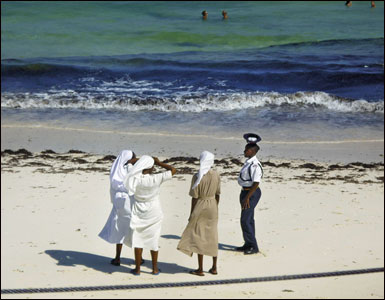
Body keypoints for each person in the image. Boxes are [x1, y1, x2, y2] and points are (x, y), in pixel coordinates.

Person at [124, 155, 176, 275]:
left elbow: (129, 163)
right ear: (150, 167)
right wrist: (159, 162)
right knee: (154, 240)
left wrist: (140, 160)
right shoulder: (156, 178)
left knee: (137, 239)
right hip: (154, 211)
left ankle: (137, 269)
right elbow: (173, 170)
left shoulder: (134, 178)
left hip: (138, 210)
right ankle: (155, 269)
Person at [177, 151, 221, 276]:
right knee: (212, 236)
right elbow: (218, 194)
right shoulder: (216, 175)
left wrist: (191, 214)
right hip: (212, 204)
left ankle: (200, 269)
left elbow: (194, 197)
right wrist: (215, 207)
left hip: (200, 205)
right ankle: (214, 267)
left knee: (198, 237)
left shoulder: (197, 176)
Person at [98, 150, 143, 266]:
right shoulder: (130, 169)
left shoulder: (116, 169)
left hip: (118, 202)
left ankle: (117, 257)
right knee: (135, 229)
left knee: (119, 229)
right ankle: (140, 258)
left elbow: (114, 187)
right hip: (130, 201)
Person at [236, 140, 263, 255]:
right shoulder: (248, 162)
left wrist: (247, 197)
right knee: (248, 219)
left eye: (246, 149)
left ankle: (253, 246)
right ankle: (248, 243)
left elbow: (256, 182)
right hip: (245, 192)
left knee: (245, 220)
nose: (244, 151)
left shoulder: (255, 164)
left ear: (252, 151)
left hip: (251, 193)